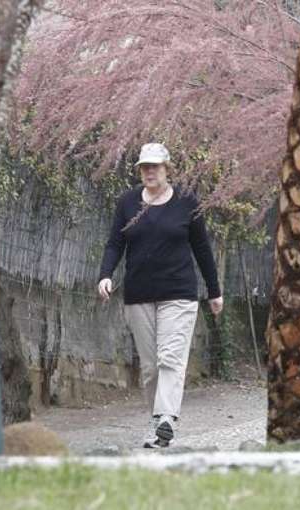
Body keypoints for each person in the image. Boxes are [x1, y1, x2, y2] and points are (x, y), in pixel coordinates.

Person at [97, 142, 223, 448]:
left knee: (170, 358)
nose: (150, 171)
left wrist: (214, 291)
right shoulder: (128, 202)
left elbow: (202, 248)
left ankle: (167, 418)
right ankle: (157, 425)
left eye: (155, 166)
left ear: (168, 169)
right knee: (151, 367)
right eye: (145, 167)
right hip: (139, 294)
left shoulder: (186, 202)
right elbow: (115, 243)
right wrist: (105, 274)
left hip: (179, 293)